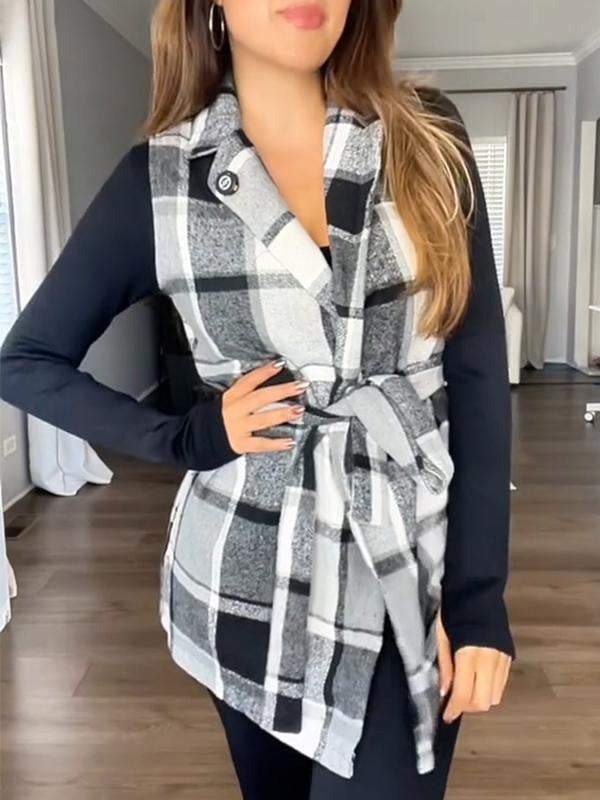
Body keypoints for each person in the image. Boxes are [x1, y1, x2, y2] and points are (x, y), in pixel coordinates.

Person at [0, 1, 516, 797]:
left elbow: (477, 373)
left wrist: (477, 600)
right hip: (240, 580)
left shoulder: (427, 135)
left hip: (407, 566)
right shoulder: (160, 179)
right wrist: (187, 437)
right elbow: (26, 361)